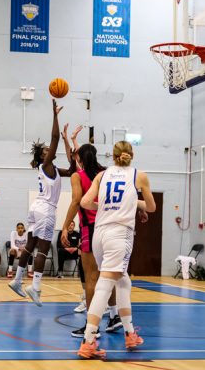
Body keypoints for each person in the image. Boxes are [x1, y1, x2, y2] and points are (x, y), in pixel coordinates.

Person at [77, 141, 155, 359]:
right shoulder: (139, 175)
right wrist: (134, 204)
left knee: (123, 281)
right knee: (104, 285)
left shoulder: (102, 175)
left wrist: (103, 207)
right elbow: (151, 207)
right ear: (131, 155)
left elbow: (85, 202)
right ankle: (89, 340)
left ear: (112, 156)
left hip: (99, 235)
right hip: (119, 235)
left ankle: (130, 333)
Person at [8, 99, 66, 306]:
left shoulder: (54, 169)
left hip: (36, 207)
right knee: (42, 249)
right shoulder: (47, 164)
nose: (50, 149)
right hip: (46, 209)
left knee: (30, 245)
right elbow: (54, 137)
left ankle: (16, 280)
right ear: (43, 156)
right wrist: (55, 115)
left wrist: (68, 140)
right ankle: (36, 286)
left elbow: (75, 170)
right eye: (46, 150)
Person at [61, 144, 122, 338]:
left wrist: (65, 225)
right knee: (109, 276)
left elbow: (76, 200)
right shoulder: (106, 173)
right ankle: (114, 317)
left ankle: (91, 326)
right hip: (112, 228)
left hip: (91, 229)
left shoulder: (77, 176)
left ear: (78, 157)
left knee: (91, 279)